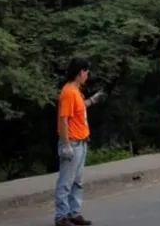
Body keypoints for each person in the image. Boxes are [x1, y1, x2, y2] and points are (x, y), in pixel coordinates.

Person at [55, 58, 98, 226]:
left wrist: (93, 100)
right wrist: (65, 144)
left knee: (77, 181)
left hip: (81, 141)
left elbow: (79, 109)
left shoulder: (76, 92)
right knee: (66, 181)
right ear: (81, 72)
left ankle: (73, 212)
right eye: (86, 72)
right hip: (72, 142)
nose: (87, 75)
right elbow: (63, 119)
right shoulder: (68, 92)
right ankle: (61, 216)